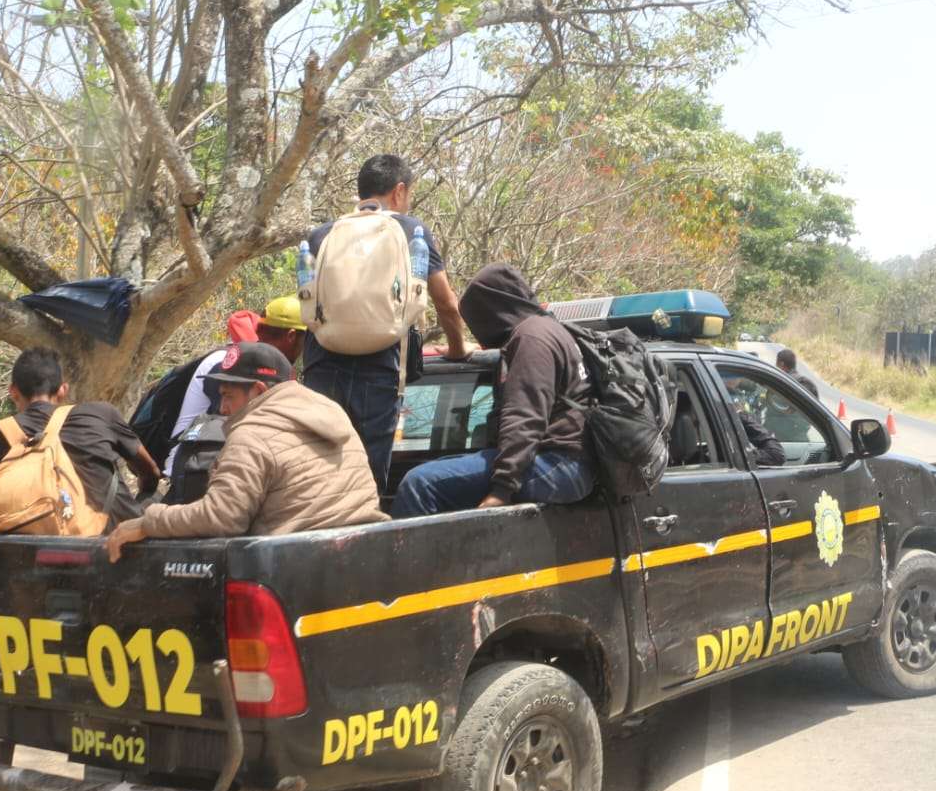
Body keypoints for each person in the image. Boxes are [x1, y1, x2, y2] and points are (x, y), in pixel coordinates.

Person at [106, 342, 385, 559]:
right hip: (365, 550)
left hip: (294, 566)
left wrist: (148, 522)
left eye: (228, 396)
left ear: (258, 391)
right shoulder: (332, 413)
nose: (223, 409)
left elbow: (222, 518)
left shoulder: (252, 433)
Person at [301, 155, 468, 493]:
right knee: (367, 473)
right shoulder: (411, 230)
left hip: (322, 364)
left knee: (318, 471)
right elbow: (446, 304)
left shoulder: (321, 234)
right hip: (380, 366)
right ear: (399, 191)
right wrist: (458, 348)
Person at [392, 264, 594, 518]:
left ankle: (414, 559)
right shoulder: (546, 330)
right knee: (435, 472)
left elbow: (524, 417)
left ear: (494, 308)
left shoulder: (531, 339)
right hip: (567, 464)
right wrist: (473, 351)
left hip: (558, 465)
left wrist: (502, 489)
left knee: (420, 484)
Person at [0, 347, 160, 532]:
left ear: (13, 391)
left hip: (31, 550)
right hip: (114, 539)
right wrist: (145, 488)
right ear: (63, 390)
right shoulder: (102, 414)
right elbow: (151, 473)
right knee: (155, 497)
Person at [165, 295, 309, 475]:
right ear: (291, 336)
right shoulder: (231, 364)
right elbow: (238, 425)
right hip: (191, 468)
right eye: (307, 338)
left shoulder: (271, 368)